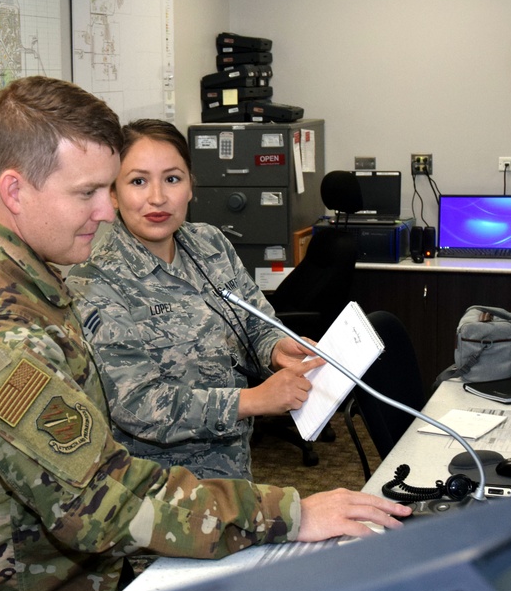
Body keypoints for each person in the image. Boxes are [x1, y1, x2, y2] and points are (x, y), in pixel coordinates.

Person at [0, 76, 411, 591]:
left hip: (27, 586)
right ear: (14, 190)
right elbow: (102, 499)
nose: (108, 212)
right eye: (88, 193)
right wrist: (292, 514)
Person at [66, 119, 321, 480]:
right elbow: (137, 405)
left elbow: (255, 321)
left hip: (232, 472)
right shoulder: (95, 280)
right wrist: (252, 401)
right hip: (159, 494)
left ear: (190, 187)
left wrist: (276, 347)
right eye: (138, 181)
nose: (157, 197)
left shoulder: (210, 244)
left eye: (172, 179)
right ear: (112, 193)